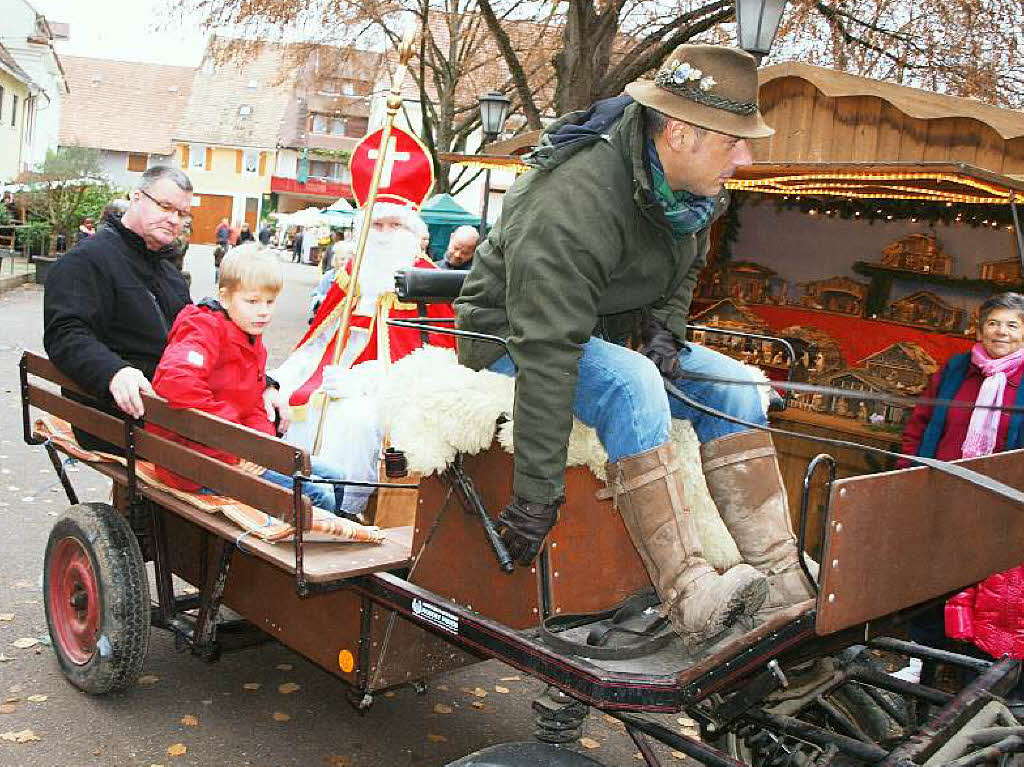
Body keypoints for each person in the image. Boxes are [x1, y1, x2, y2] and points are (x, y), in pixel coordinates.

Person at [455, 45, 816, 647]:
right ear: (680, 133)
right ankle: (689, 590)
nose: (746, 158)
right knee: (632, 381)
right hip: (512, 335)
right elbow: (549, 350)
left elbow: (681, 274)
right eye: (735, 142)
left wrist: (664, 333)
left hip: (604, 327)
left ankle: (781, 575)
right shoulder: (572, 201)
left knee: (737, 384)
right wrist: (534, 495)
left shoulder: (694, 195)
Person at [272, 203, 456, 514]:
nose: (383, 236)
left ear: (413, 232)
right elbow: (319, 335)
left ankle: (342, 507)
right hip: (335, 371)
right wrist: (290, 373)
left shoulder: (427, 279)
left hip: (393, 388)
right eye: (376, 225)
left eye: (394, 225)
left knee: (354, 419)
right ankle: (287, 491)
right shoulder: (353, 272)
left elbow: (435, 359)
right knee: (287, 392)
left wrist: (365, 381)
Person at [148, 245, 357, 518]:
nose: (264, 312)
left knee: (338, 476)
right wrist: (241, 446)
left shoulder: (249, 336)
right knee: (317, 494)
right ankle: (322, 544)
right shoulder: (204, 329)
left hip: (228, 450)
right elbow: (176, 382)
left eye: (270, 302)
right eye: (253, 302)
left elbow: (252, 405)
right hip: (198, 463)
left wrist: (263, 449)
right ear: (225, 297)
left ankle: (339, 525)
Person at [43, 167, 222, 451]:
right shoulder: (87, 260)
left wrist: (263, 384)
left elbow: (198, 337)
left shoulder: (168, 271)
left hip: (173, 411)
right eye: (165, 206)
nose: (174, 219)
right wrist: (114, 372)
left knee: (289, 462)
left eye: (182, 213)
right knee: (283, 476)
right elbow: (66, 334)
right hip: (123, 417)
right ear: (137, 198)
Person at [897, 292, 1024, 686]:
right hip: (945, 491)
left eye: (1013, 324)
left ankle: (978, 668)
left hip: (1003, 502)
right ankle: (922, 657)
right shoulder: (956, 369)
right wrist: (907, 476)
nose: (1001, 331)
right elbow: (919, 424)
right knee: (933, 576)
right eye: (994, 323)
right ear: (980, 327)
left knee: (991, 588)